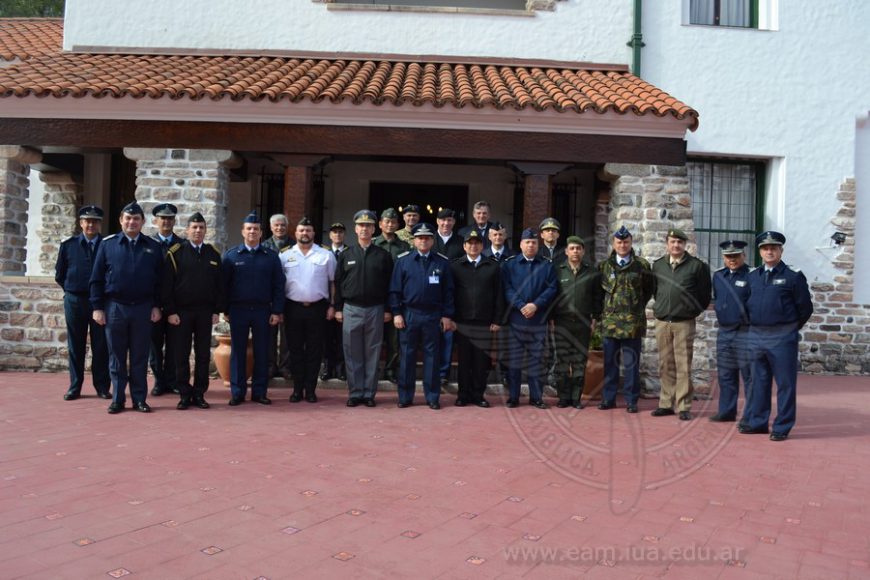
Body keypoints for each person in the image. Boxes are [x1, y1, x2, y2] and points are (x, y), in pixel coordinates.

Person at [90, 201, 164, 414]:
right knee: (117, 357)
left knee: (140, 356)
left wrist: (157, 306)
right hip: (115, 307)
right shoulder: (108, 244)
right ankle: (118, 399)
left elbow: (160, 281)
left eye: (136, 219)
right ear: (121, 220)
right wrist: (97, 307)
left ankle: (140, 399)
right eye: (128, 218)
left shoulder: (152, 246)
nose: (132, 222)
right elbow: (96, 279)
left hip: (142, 307)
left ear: (142, 222)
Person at [740, 231, 813, 441]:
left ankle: (782, 426)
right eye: (765, 248)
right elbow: (745, 304)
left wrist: (789, 329)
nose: (769, 251)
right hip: (756, 336)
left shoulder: (793, 276)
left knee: (785, 384)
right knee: (759, 382)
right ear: (760, 251)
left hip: (782, 338)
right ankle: (758, 422)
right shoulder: (752, 276)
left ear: (781, 250)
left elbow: (805, 308)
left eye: (773, 247)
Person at [161, 212, 225, 410]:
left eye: (201, 228)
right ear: (187, 230)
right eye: (194, 227)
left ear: (205, 230)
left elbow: (219, 286)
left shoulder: (213, 254)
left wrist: (217, 310)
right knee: (181, 354)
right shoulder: (176, 252)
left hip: (205, 312)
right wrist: (170, 311)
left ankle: (199, 393)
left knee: (203, 354)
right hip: (181, 313)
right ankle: (184, 393)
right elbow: (166, 285)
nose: (198, 231)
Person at [389, 222, 455, 410]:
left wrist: (447, 315)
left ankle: (432, 396)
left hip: (433, 315)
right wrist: (396, 313)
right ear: (414, 240)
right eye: (420, 237)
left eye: (427, 238)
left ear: (432, 241)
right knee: (407, 357)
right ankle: (405, 396)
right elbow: (395, 290)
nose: (423, 241)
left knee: (432, 358)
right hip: (409, 314)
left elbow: (448, 292)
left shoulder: (442, 262)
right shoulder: (403, 261)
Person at [222, 212, 285, 406]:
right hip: (238, 310)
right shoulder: (232, 256)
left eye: (256, 229)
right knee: (238, 352)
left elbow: (279, 285)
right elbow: (224, 285)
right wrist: (225, 310)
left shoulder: (271, 257)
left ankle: (259, 392)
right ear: (243, 231)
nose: (252, 232)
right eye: (249, 228)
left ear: (261, 232)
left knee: (262, 352)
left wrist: (277, 311)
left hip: (262, 311)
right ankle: (237, 392)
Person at [650, 228, 712, 421]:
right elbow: (654, 290)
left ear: (685, 244)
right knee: (665, 364)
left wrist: (691, 312)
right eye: (672, 241)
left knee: (683, 365)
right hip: (662, 322)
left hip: (684, 323)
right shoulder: (658, 265)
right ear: (667, 243)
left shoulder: (697, 266)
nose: (676, 245)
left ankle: (684, 405)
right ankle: (666, 403)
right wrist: (661, 307)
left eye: (679, 242)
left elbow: (704, 295)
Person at [335, 210, 394, 407]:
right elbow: (338, 282)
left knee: (372, 352)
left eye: (368, 226)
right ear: (355, 228)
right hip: (351, 308)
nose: (365, 229)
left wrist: (388, 309)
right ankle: (355, 392)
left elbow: (389, 284)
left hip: (376, 309)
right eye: (361, 225)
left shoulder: (383, 255)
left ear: (374, 229)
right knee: (352, 352)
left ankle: (369, 393)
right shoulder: (346, 255)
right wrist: (337, 308)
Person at [55, 205, 111, 401]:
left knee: (101, 345)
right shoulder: (68, 245)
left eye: (95, 221)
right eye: (87, 221)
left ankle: (102, 386)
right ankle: (75, 386)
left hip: (101, 303)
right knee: (76, 345)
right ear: (81, 223)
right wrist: (73, 291)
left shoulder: (108, 244)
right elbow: (60, 275)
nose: (91, 224)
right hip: (75, 300)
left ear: (99, 224)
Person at [597, 226, 655, 413]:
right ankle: (609, 398)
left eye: (626, 242)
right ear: (614, 243)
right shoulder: (604, 266)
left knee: (631, 365)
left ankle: (631, 400)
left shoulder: (642, 265)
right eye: (619, 242)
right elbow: (600, 294)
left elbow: (648, 290)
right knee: (609, 364)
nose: (623, 245)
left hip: (633, 323)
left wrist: (635, 307)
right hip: (610, 323)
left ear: (631, 243)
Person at [280, 217, 337, 403]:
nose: (305, 233)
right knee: (294, 350)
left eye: (308, 230)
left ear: (314, 233)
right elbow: (279, 285)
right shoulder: (285, 255)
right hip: (292, 308)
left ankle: (311, 390)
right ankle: (297, 389)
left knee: (314, 350)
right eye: (301, 230)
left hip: (318, 308)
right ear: (295, 233)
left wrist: (332, 305)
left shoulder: (326, 255)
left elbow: (333, 283)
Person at [501, 228, 558, 409]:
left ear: (537, 244)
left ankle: (536, 397)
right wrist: (520, 305)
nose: (531, 245)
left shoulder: (547, 265)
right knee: (515, 361)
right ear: (521, 244)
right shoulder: (510, 265)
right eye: (527, 242)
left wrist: (535, 305)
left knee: (536, 360)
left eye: (533, 242)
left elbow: (552, 289)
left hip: (537, 318)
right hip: (516, 318)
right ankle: (514, 396)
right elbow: (507, 288)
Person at [449, 229, 504, 407]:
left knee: (481, 362)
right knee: (464, 361)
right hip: (462, 321)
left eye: (477, 243)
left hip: (484, 322)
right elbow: (450, 294)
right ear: (464, 246)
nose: (473, 246)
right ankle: (463, 394)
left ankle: (478, 394)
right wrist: (451, 318)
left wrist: (497, 320)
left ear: (482, 245)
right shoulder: (456, 266)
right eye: (470, 243)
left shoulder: (493, 266)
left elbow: (499, 295)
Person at [550, 236, 603, 409]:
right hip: (561, 321)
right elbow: (552, 296)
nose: (575, 251)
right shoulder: (557, 270)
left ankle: (576, 398)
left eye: (578, 248)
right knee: (563, 361)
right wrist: (551, 318)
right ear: (566, 251)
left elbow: (597, 297)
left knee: (580, 361)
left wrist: (595, 318)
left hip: (583, 322)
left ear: (583, 251)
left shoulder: (592, 272)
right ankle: (563, 397)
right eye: (572, 248)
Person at [710, 240, 753, 424]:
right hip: (725, 332)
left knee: (749, 377)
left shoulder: (752, 275)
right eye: (728, 256)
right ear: (723, 257)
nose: (732, 260)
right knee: (725, 374)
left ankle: (751, 415)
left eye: (736, 256)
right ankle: (727, 411)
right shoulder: (719, 276)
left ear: (743, 255)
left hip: (745, 333)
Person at [149, 202, 184, 396]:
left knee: (173, 345)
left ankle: (172, 381)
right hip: (154, 304)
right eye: (163, 218)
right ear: (156, 220)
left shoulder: (182, 245)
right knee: (154, 347)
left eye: (170, 218)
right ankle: (158, 381)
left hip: (174, 305)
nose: (167, 221)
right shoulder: (148, 244)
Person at [373, 208, 410, 383]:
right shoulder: (372, 244)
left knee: (394, 338)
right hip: (375, 296)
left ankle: (390, 369)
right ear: (380, 224)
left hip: (397, 297)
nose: (390, 224)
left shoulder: (404, 246)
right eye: (386, 222)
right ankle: (373, 369)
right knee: (374, 337)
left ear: (398, 225)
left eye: (393, 222)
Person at [434, 208, 463, 388]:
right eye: (443, 220)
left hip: (453, 294)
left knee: (447, 336)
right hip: (430, 295)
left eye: (450, 220)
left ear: (454, 222)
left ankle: (444, 373)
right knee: (430, 339)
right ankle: (432, 371)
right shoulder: (429, 239)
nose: (446, 223)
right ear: (437, 221)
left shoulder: (460, 242)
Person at [482, 221, 514, 384]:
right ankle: (484, 374)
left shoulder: (513, 256)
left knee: (505, 343)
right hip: (487, 305)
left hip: (507, 306)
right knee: (485, 342)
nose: (498, 237)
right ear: (489, 236)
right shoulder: (483, 255)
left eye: (501, 234)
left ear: (505, 236)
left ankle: (504, 375)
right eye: (495, 234)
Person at [262, 213, 293, 380]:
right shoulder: (264, 246)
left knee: (287, 334)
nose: (280, 228)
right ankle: (270, 365)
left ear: (287, 227)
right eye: (276, 225)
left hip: (289, 296)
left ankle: (285, 366)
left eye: (282, 225)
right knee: (269, 334)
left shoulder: (295, 246)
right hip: (269, 296)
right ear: (271, 227)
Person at [537, 217, 564, 387]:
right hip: (540, 305)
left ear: (558, 234)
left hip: (560, 305)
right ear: (541, 234)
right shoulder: (537, 253)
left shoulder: (564, 252)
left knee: (557, 343)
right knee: (540, 343)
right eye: (547, 230)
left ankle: (554, 377)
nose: (550, 233)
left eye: (553, 231)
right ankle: (540, 377)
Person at [321, 222, 348, 381]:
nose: (337, 235)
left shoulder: (350, 252)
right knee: (326, 337)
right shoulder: (323, 253)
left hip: (344, 302)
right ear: (330, 235)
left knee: (342, 338)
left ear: (344, 235)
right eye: (334, 232)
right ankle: (326, 367)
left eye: (340, 232)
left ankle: (340, 368)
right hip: (326, 302)